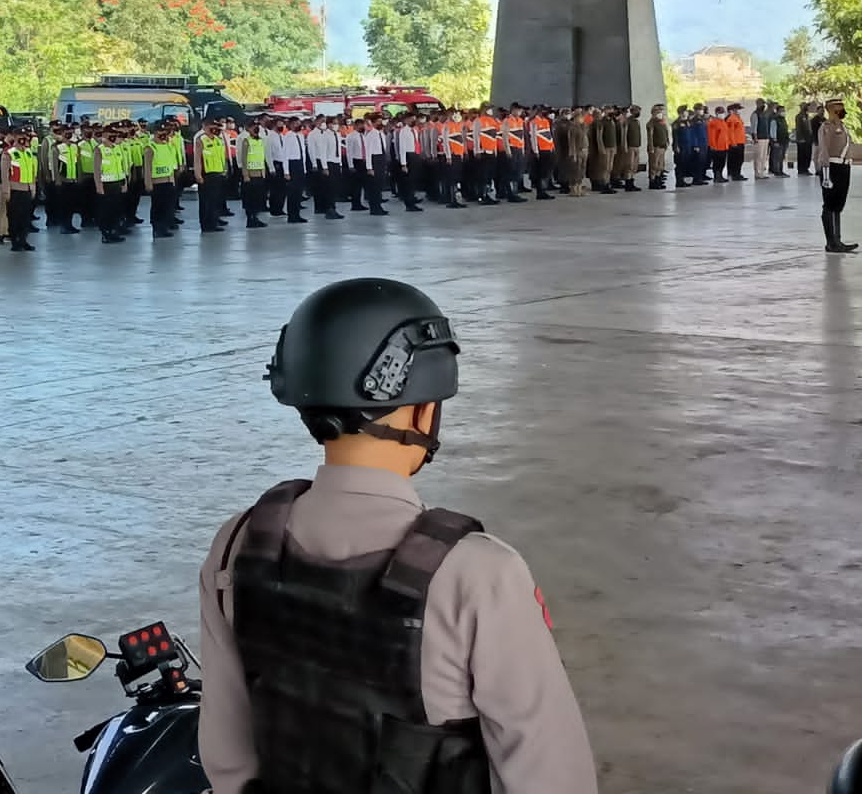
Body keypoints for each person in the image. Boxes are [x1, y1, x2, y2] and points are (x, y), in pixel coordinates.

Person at [197, 278, 598, 794]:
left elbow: (228, 757)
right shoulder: (475, 574)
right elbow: (549, 774)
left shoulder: (238, 544)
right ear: (424, 409)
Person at [816, 99, 859, 254]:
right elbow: (824, 151)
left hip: (844, 167)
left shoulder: (842, 126)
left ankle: (837, 240)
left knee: (839, 205)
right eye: (840, 108)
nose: (843, 110)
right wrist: (826, 175)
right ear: (832, 110)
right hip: (832, 168)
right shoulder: (826, 127)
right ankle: (831, 242)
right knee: (830, 204)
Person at [195, 119, 229, 233]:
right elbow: (197, 159)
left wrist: (224, 169)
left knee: (215, 200)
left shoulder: (218, 140)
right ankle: (206, 224)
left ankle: (213, 222)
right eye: (212, 125)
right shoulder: (201, 140)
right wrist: (198, 174)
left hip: (217, 173)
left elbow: (221, 157)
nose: (214, 128)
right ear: (205, 126)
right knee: (206, 201)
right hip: (207, 174)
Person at [646, 106, 670, 189]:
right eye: (657, 112)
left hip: (662, 146)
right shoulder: (651, 123)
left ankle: (658, 180)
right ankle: (652, 182)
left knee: (660, 165)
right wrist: (651, 147)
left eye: (660, 112)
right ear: (653, 113)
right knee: (654, 165)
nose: (660, 114)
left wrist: (667, 142)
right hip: (656, 147)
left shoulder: (662, 122)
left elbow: (666, 133)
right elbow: (650, 136)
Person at [796, 103, 815, 175]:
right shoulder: (799, 116)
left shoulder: (807, 116)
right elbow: (799, 128)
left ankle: (806, 168)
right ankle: (801, 169)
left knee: (808, 154)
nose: (807, 107)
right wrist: (801, 138)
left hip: (808, 138)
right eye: (805, 106)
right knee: (802, 155)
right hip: (802, 139)